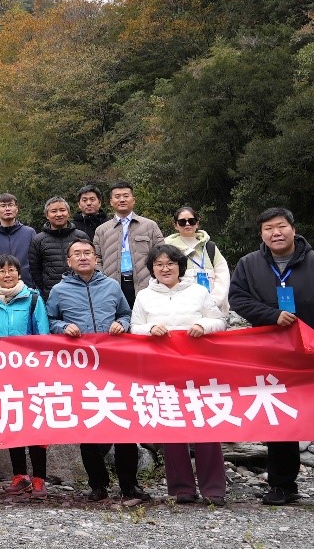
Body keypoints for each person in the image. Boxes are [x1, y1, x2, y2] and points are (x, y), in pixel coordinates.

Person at [228, 208, 314, 518]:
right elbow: (237, 298)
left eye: (281, 226)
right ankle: (282, 486)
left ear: (293, 229)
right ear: (261, 234)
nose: (275, 233)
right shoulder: (249, 265)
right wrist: (271, 314)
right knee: (280, 421)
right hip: (273, 358)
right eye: (268, 228)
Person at [47, 239, 149, 502]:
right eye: (77, 254)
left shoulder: (112, 286)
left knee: (124, 423)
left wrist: (121, 323)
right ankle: (97, 485)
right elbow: (49, 321)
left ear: (96, 258)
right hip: (80, 368)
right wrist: (62, 328)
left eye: (87, 253)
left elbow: (127, 315)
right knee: (89, 425)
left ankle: (130, 484)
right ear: (68, 261)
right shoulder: (59, 290)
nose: (83, 258)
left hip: (114, 366)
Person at [130, 244, 227, 505]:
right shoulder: (144, 296)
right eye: (159, 264)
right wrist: (150, 328)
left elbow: (220, 322)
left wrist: (202, 325)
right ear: (152, 269)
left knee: (205, 425)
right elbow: (135, 327)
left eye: (170, 263)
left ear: (180, 266)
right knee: (172, 428)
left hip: (198, 368)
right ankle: (181, 488)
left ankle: (214, 489)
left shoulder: (198, 292)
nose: (165, 268)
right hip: (162, 369)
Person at [0, 255, 51, 500]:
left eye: (11, 270)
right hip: (2, 372)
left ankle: (39, 478)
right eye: (2, 271)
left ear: (18, 273)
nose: (7, 274)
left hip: (30, 371)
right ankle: (20, 476)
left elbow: (43, 334)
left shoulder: (32, 298)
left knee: (36, 422)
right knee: (13, 420)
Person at [93, 180, 163, 306]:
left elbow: (162, 254)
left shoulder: (150, 226)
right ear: (111, 202)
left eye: (126, 196)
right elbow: (96, 259)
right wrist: (103, 280)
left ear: (133, 200)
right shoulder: (101, 230)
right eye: (117, 196)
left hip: (146, 285)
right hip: (113, 287)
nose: (122, 199)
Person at [164, 206, 230, 315]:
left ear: (197, 224)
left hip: (215, 308)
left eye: (191, 221)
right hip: (184, 310)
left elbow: (223, 275)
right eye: (182, 222)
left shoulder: (210, 247)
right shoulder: (168, 248)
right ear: (175, 225)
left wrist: (215, 300)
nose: (187, 224)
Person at [28, 196, 90, 298]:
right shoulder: (38, 240)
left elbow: (89, 263)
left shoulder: (81, 236)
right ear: (47, 215)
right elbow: (35, 270)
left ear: (68, 213)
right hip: (51, 294)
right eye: (54, 211)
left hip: (80, 292)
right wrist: (45, 290)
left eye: (62, 210)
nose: (59, 214)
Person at [0, 193, 36, 287]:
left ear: (17, 208)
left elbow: (36, 263)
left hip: (26, 287)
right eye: (3, 206)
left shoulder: (29, 233)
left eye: (10, 205)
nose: (7, 209)